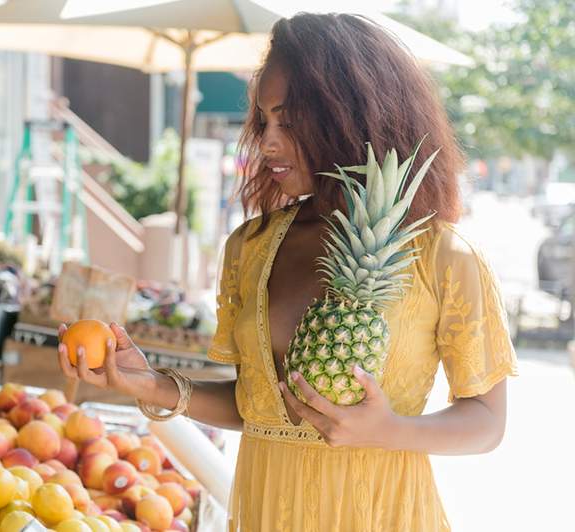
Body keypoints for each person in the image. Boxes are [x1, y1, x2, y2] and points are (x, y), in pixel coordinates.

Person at [57, 12, 518, 532]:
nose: (267, 142)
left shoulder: (443, 256)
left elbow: (486, 422)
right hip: (263, 511)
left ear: (352, 116)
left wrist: (387, 429)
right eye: (263, 121)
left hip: (381, 514)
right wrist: (153, 385)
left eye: (290, 121)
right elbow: (259, 405)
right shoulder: (250, 248)